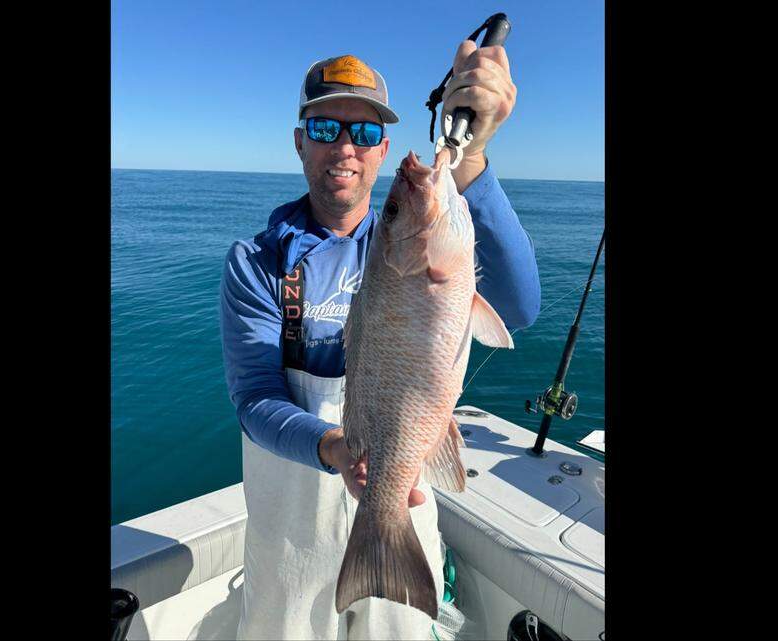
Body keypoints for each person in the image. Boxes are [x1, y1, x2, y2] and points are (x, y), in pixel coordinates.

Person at [219, 47, 540, 640]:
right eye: (325, 127)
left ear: (382, 150)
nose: (345, 146)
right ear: (300, 142)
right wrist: (336, 447)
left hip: (402, 493)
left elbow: (519, 308)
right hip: (291, 517)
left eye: (364, 131)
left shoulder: (426, 249)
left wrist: (469, 164)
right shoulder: (257, 263)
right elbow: (256, 399)